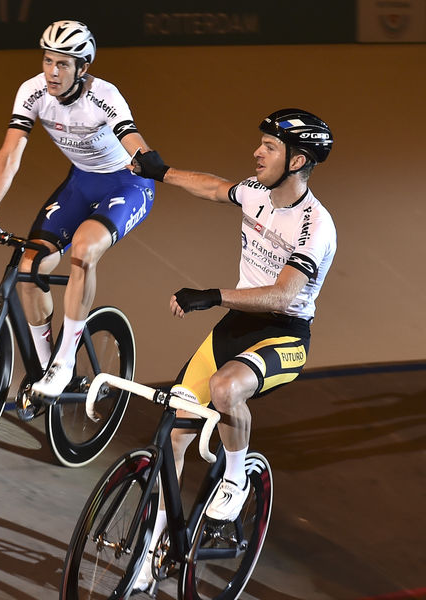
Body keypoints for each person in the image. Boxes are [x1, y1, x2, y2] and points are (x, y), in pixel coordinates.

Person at [128, 108, 336, 592]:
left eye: (269, 147)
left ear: (297, 159)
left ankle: (237, 480)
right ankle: (151, 549)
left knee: (225, 388)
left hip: (283, 335)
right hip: (237, 327)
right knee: (173, 436)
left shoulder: (315, 225)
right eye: (260, 143)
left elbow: (284, 295)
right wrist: (162, 171)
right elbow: (214, 187)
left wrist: (213, 295)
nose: (257, 152)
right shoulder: (258, 193)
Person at [0, 20, 158, 404]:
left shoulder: (105, 96)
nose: (52, 72)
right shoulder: (32, 91)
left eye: (63, 64)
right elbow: (10, 154)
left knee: (83, 250)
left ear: (83, 67)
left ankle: (65, 362)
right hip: (80, 184)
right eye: (47, 61)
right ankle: (46, 368)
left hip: (127, 185)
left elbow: (132, 136)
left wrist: (149, 159)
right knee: (29, 267)